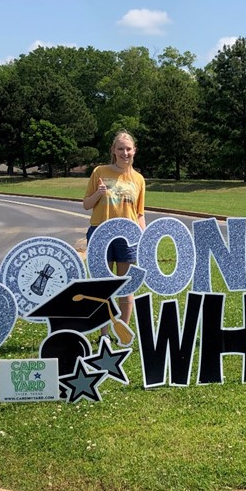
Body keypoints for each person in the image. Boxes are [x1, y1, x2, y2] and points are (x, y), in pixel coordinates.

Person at [83, 130, 146, 345]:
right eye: (120, 148)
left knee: (126, 286)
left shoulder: (138, 179)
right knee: (103, 286)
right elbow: (86, 205)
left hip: (127, 236)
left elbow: (139, 213)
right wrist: (98, 194)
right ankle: (104, 335)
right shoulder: (100, 172)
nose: (125, 152)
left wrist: (143, 237)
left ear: (134, 151)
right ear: (113, 150)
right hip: (100, 233)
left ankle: (123, 333)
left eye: (128, 149)